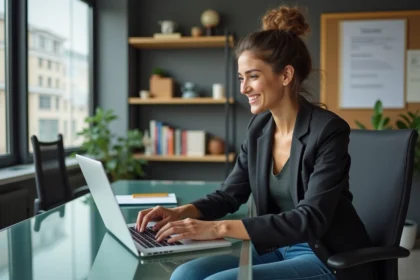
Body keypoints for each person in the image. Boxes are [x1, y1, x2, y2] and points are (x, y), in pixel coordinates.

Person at [136, 5, 376, 280]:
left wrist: (217, 228)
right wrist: (180, 212)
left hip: (324, 256)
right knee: (185, 274)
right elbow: (229, 194)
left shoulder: (328, 131)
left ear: (285, 76)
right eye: (241, 78)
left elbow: (311, 218)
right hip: (275, 248)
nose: (243, 88)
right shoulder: (259, 128)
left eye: (253, 76)